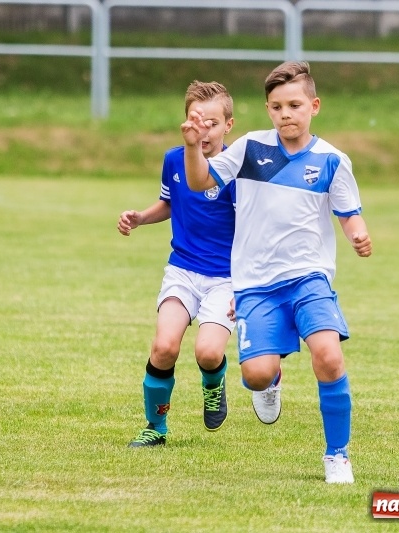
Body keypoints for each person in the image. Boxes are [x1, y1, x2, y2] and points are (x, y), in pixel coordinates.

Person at [181, 61, 372, 483]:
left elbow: (349, 214)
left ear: (314, 106)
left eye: (294, 105)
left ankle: (337, 455)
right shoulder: (249, 148)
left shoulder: (332, 161)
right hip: (256, 286)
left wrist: (359, 235)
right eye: (276, 106)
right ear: (268, 110)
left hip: (309, 279)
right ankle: (272, 378)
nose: (286, 113)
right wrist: (194, 147)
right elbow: (199, 183)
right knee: (255, 374)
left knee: (328, 355)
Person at [118, 81, 250, 447]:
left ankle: (213, 383)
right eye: (196, 120)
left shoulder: (237, 171)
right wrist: (141, 217)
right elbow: (170, 202)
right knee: (164, 347)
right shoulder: (174, 160)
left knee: (208, 352)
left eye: (212, 122)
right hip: (182, 270)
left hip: (225, 278)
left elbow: (253, 232)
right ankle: (155, 428)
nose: (203, 130)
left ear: (228, 125)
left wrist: (248, 285)